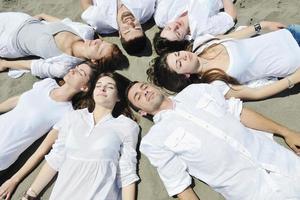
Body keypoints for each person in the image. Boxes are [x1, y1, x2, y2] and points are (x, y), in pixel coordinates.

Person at [126, 81, 300, 200]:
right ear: (141, 112)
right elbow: (180, 186)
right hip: (255, 192)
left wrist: (286, 132)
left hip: (282, 161)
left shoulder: (195, 91)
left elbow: (239, 113)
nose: (144, 91)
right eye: (138, 96)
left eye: (144, 86)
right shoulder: (155, 140)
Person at [20, 73, 139, 200]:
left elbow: (127, 172)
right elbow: (56, 158)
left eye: (109, 87)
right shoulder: (73, 117)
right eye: (98, 85)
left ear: (118, 97)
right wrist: (30, 195)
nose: (102, 89)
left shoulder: (126, 126)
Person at [149, 21, 300, 98]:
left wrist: (263, 24)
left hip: (288, 33)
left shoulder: (202, 42)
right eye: (179, 63)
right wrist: (292, 79)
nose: (182, 56)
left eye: (177, 54)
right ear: (184, 76)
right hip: (295, 62)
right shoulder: (216, 84)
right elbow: (257, 93)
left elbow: (237, 36)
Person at [0, 61, 98, 173]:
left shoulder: (67, 114)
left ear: (84, 87)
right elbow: (18, 100)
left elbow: (41, 150)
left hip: (3, 150)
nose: (72, 70)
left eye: (80, 72)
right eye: (75, 67)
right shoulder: (47, 83)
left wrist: (14, 180)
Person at [0, 12, 126, 78]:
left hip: (9, 42)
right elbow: (64, 23)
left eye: (98, 48)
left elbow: (34, 66)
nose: (97, 42)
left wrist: (5, 64)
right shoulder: (85, 31)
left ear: (94, 61)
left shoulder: (63, 66)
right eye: (102, 42)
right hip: (20, 20)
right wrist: (42, 15)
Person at [153, 0, 237, 54]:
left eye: (169, 28)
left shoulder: (162, 17)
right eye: (178, 33)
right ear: (184, 39)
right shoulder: (202, 29)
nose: (175, 26)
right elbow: (230, 16)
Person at [80, 0, 155, 54]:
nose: (130, 23)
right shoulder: (146, 8)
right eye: (137, 27)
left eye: (127, 30)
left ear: (119, 33)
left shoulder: (99, 20)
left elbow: (86, 3)